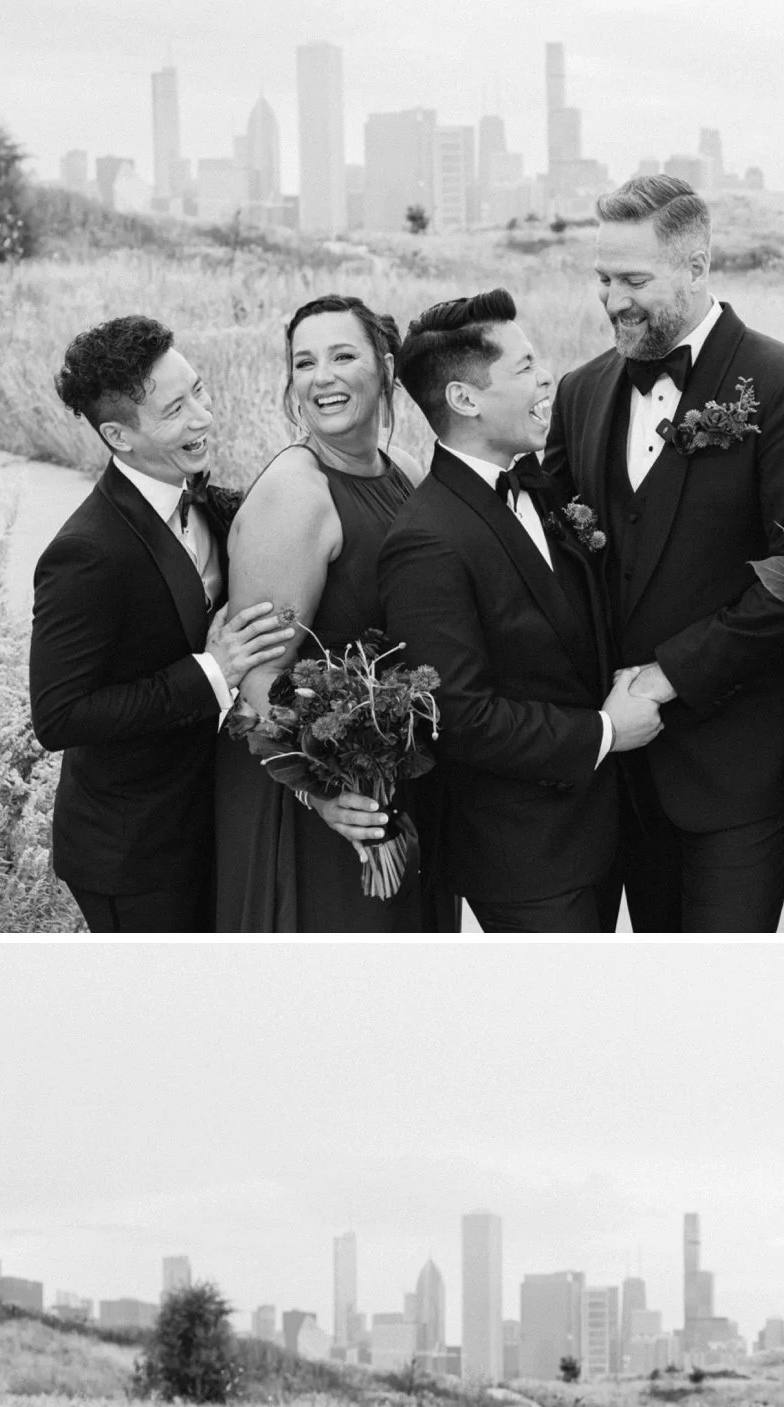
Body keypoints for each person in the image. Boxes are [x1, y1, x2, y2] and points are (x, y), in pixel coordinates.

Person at [546, 174, 784, 931]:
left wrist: (664, 679)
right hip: (618, 772)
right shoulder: (581, 392)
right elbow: (550, 553)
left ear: (696, 267)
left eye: (635, 280)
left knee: (723, 1002)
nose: (614, 299)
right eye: (604, 278)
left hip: (736, 773)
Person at [382, 290, 660, 932]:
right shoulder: (427, 539)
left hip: (600, 831)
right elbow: (457, 715)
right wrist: (606, 731)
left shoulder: (541, 484)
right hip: (522, 855)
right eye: (524, 366)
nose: (546, 378)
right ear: (465, 399)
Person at [30, 316, 292, 932]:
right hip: (133, 854)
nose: (202, 416)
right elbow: (59, 715)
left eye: (198, 390)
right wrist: (211, 672)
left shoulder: (202, 498)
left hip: (206, 817)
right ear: (120, 436)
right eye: (176, 409)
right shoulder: (87, 553)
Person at [214, 293, 458, 932]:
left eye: (342, 355)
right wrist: (321, 792)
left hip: (395, 777)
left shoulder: (401, 469)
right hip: (325, 806)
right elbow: (258, 678)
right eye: (303, 362)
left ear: (384, 369)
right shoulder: (296, 493)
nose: (321, 377)